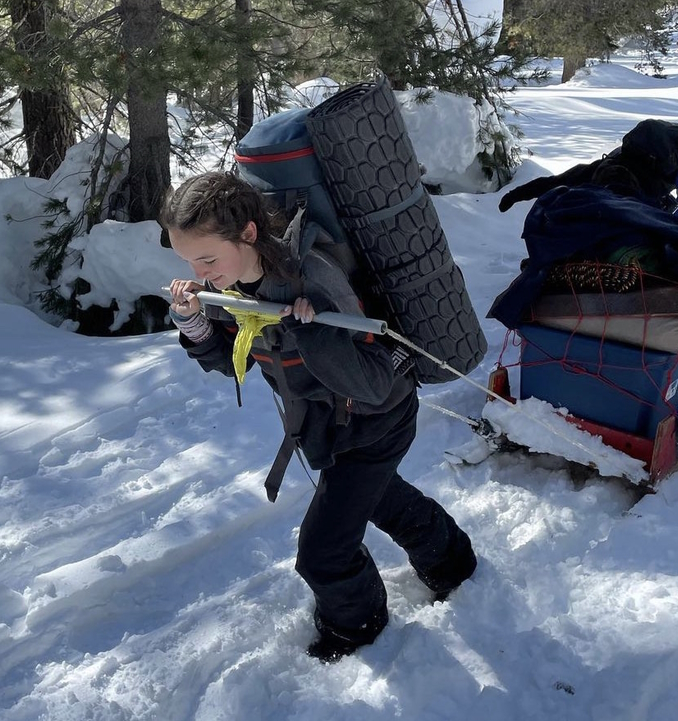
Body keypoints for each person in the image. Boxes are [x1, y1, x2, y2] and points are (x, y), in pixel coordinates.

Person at [162, 170, 477, 663]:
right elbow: (237, 357)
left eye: (207, 258)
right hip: (327, 425)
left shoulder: (313, 282)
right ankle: (453, 561)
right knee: (378, 497)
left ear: (248, 233)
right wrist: (196, 325)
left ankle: (356, 629)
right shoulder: (236, 288)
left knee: (323, 553)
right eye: (189, 261)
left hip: (377, 421)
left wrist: (314, 334)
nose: (200, 273)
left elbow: (373, 381)